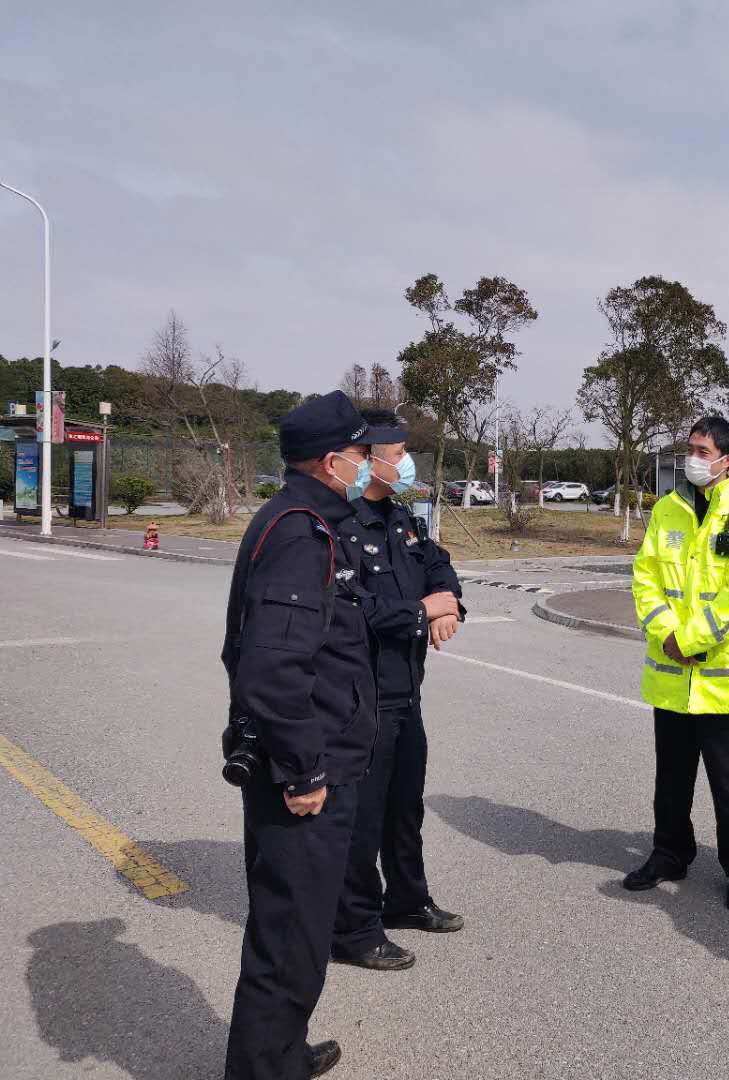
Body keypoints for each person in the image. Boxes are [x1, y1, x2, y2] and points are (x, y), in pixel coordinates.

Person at [221, 391, 382, 1080]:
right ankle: (264, 1068)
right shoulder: (298, 531)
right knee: (289, 935)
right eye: (361, 452)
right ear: (329, 460)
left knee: (297, 929)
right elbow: (273, 668)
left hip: (313, 753)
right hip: (304, 768)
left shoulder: (307, 519)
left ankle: (278, 1052)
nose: (369, 463)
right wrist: (304, 769)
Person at [331, 409, 465, 974]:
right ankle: (354, 928)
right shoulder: (342, 525)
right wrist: (421, 611)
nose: (406, 462)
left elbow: (439, 564)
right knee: (363, 817)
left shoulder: (401, 517)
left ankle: (407, 899)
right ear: (368, 460)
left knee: (405, 806)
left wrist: (447, 602)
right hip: (363, 697)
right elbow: (356, 609)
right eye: (397, 453)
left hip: (407, 690)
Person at [623, 415, 729, 912]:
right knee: (671, 779)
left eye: (703, 451)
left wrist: (689, 640)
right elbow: (646, 576)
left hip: (725, 680)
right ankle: (669, 854)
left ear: (727, 460)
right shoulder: (667, 509)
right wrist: (666, 633)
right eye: (689, 448)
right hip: (673, 676)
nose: (692, 458)